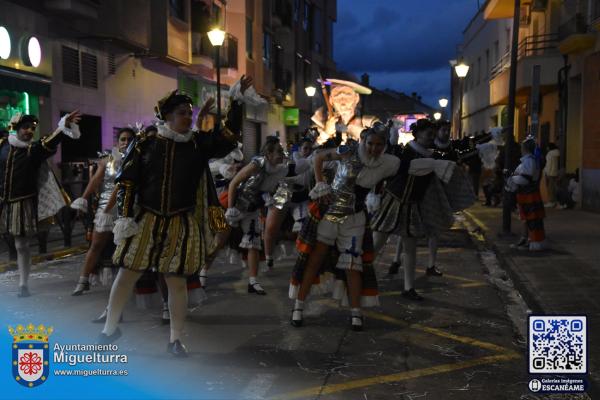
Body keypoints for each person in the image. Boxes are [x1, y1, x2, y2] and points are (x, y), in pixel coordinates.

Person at [97, 76, 252, 356]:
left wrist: (237, 100)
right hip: (146, 219)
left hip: (181, 221)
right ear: (167, 116)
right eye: (182, 113)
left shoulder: (197, 144)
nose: (188, 118)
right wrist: (124, 216)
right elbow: (127, 180)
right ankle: (109, 329)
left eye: (190, 113)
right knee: (127, 273)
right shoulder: (146, 142)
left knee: (176, 281)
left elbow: (229, 135)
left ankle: (175, 339)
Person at [289, 123, 400, 331]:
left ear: (385, 145)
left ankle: (356, 313)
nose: (374, 148)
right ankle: (298, 306)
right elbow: (319, 156)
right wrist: (320, 183)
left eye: (379, 144)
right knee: (315, 260)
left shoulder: (388, 164)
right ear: (363, 141)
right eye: (371, 143)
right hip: (330, 214)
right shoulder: (346, 152)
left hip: (355, 218)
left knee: (352, 265)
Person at [371, 119, 475, 300]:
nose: (432, 138)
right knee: (376, 244)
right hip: (393, 203)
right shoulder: (405, 152)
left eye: (433, 135)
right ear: (417, 134)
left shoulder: (432, 157)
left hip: (411, 206)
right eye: (429, 134)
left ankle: (408, 288)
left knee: (410, 248)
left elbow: (452, 164)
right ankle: (357, 277)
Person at [0, 111, 82, 297]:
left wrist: (63, 126)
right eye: (25, 127)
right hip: (2, 202)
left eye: (32, 128)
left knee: (21, 245)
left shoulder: (33, 150)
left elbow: (51, 141)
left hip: (22, 203)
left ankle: (23, 284)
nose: (29, 131)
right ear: (16, 129)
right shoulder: (3, 145)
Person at [70, 127, 135, 295]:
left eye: (129, 139)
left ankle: (126, 286)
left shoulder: (137, 159)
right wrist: (83, 198)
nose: (126, 142)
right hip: (106, 208)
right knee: (96, 245)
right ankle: (83, 281)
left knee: (126, 248)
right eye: (122, 139)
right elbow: (95, 180)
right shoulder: (107, 160)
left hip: (128, 209)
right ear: (117, 142)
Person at [225, 136, 288, 294]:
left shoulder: (279, 170)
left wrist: (270, 199)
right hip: (237, 205)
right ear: (268, 153)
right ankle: (203, 274)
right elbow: (234, 183)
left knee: (253, 242)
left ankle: (253, 281)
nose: (282, 154)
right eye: (279, 151)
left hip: (252, 209)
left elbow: (272, 191)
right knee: (220, 240)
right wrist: (230, 208)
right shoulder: (257, 164)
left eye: (282, 151)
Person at [506, 137, 546, 251]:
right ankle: (527, 239)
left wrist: (512, 178)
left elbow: (526, 178)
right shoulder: (529, 160)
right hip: (527, 193)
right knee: (528, 218)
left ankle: (529, 240)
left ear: (525, 148)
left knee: (530, 218)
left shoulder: (529, 161)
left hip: (528, 193)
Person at [311, 79, 378, 145]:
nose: (342, 101)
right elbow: (309, 150)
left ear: (356, 98)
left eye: (348, 95)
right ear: (331, 100)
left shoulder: (370, 123)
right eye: (337, 96)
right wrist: (326, 133)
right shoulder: (319, 124)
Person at [543, 143, 560, 208]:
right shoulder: (556, 154)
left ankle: (551, 201)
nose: (546, 148)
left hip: (550, 173)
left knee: (550, 188)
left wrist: (546, 172)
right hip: (555, 173)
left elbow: (549, 165)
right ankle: (555, 201)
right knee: (554, 187)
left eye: (547, 147)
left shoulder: (549, 154)